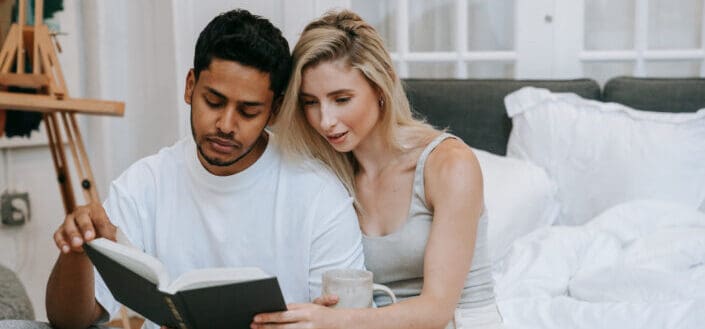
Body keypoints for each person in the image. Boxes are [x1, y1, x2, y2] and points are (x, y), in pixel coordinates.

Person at [41, 9, 364, 329]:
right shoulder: (146, 183)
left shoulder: (319, 195)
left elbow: (339, 320)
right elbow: (70, 321)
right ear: (190, 86)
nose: (225, 125)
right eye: (213, 101)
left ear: (275, 110)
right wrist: (77, 253)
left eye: (248, 111)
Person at [252, 9, 503, 329]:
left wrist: (336, 322)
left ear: (382, 85)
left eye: (341, 99)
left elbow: (437, 310)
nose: (325, 120)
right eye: (310, 102)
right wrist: (328, 307)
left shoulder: (449, 165)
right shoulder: (329, 175)